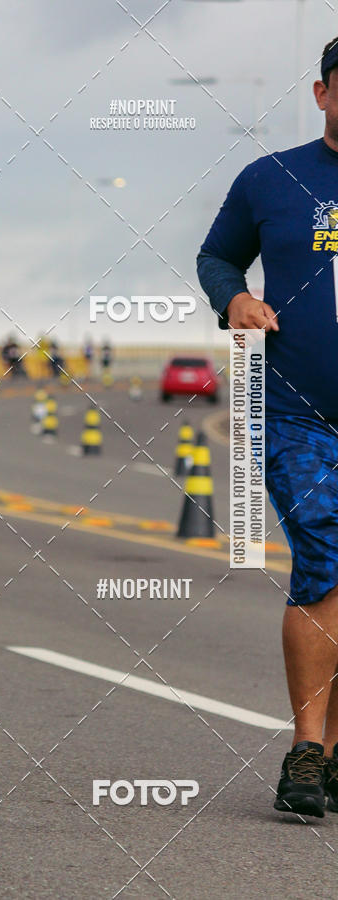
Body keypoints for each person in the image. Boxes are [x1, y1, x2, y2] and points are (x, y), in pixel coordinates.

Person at [197, 37, 338, 818]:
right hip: (296, 409)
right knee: (323, 550)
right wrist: (235, 301)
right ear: (322, 94)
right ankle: (306, 751)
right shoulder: (272, 179)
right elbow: (216, 258)